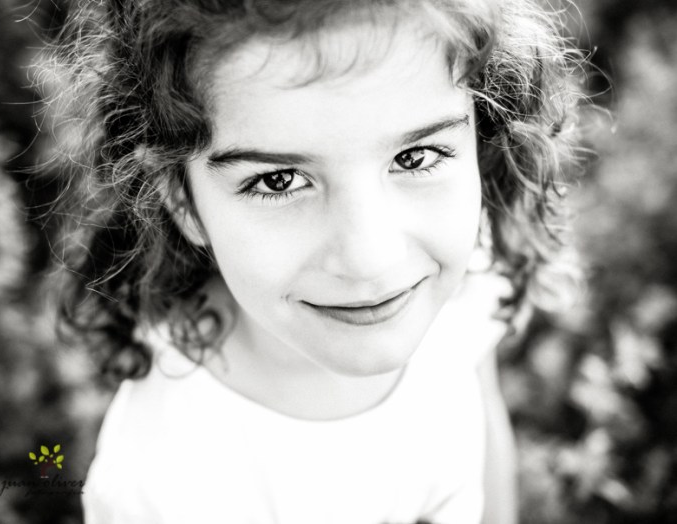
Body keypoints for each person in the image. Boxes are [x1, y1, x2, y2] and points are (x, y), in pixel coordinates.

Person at [40, 0, 585, 522]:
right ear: (182, 200)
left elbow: (482, 434)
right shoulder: (163, 488)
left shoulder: (467, 281)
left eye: (415, 157)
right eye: (279, 181)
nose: (371, 261)